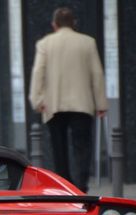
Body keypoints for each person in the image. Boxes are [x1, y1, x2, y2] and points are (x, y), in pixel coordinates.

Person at [29, 7, 107, 193]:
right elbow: (96, 74)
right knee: (82, 145)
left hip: (54, 103)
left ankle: (65, 184)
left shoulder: (45, 43)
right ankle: (81, 184)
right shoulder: (87, 42)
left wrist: (37, 99)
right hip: (82, 103)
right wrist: (101, 103)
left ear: (54, 25)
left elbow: (38, 72)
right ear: (74, 24)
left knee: (59, 147)